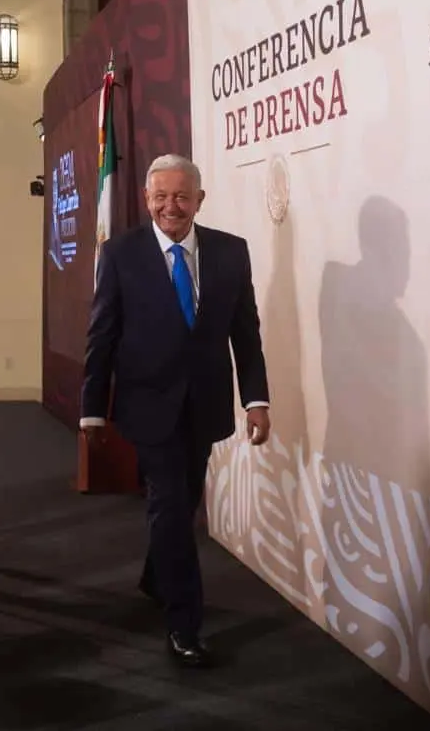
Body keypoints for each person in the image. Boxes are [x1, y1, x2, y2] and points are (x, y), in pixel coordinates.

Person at [80, 153, 271, 669]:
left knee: (183, 497)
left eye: (181, 196)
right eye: (161, 197)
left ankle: (153, 576)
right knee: (170, 506)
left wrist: (256, 398)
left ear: (199, 199)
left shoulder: (232, 252)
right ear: (147, 200)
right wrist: (91, 410)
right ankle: (184, 623)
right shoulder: (120, 254)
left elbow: (245, 333)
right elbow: (103, 334)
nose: (171, 206)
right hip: (148, 405)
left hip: (205, 405)